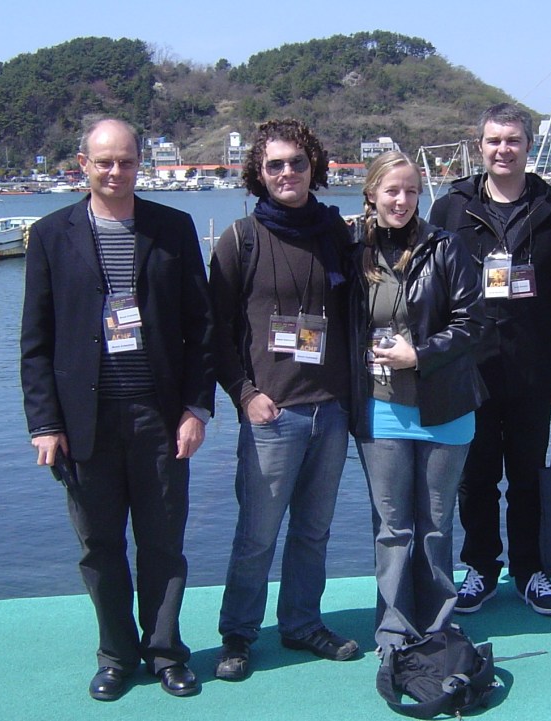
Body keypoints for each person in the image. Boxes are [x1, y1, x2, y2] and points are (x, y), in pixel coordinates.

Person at [20, 118, 215, 701]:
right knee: (100, 546)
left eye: (126, 161)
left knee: (162, 543)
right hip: (85, 423)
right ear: (83, 164)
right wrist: (45, 424)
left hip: (158, 418)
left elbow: (201, 329)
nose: (115, 171)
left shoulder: (172, 228)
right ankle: (116, 654)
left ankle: (164, 651)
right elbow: (36, 338)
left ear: (139, 164)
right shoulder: (51, 234)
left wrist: (195, 410)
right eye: (104, 161)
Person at [209, 118, 359, 681]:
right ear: (259, 173)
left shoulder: (337, 234)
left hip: (332, 408)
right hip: (272, 414)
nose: (287, 172)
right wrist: (244, 395)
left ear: (313, 166)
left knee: (314, 531)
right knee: (257, 534)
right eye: (275, 164)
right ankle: (238, 634)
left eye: (297, 162)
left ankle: (301, 623)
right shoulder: (240, 240)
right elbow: (215, 332)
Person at [428, 103, 551, 616]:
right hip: (468, 369)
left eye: (513, 140)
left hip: (534, 371)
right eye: (494, 140)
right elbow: (430, 295)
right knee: (475, 478)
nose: (503, 150)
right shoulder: (451, 209)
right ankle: (480, 567)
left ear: (527, 145)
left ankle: (530, 568)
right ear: (480, 146)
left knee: (528, 476)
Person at [349, 151, 486, 657]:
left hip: (444, 409)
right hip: (380, 408)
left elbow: (474, 323)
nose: (401, 200)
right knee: (391, 527)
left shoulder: (444, 247)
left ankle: (436, 626)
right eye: (391, 190)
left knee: (435, 525)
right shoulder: (352, 249)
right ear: (372, 194)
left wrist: (419, 354)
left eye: (410, 190)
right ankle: (391, 628)